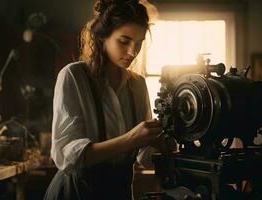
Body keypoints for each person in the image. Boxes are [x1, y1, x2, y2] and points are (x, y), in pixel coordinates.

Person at [44, 0, 175, 199]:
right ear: (102, 37)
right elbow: (65, 157)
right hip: (75, 193)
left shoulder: (137, 85)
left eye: (139, 43)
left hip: (119, 193)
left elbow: (143, 156)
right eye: (124, 41)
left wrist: (160, 146)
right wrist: (131, 139)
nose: (133, 52)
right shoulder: (74, 76)